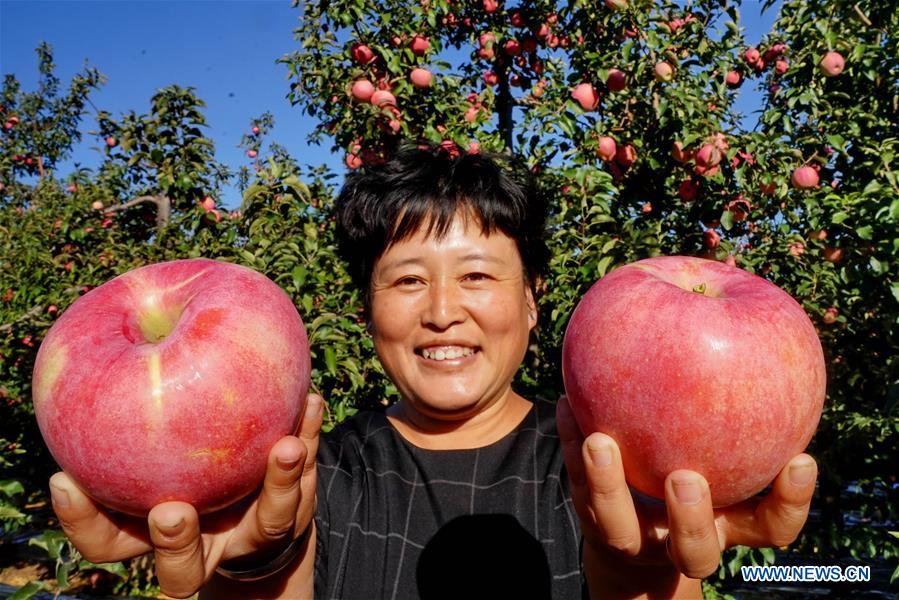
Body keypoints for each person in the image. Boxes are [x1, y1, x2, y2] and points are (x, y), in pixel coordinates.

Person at [48, 143, 818, 599]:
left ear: (531, 300)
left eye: (478, 277)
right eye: (407, 279)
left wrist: (643, 583)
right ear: (366, 310)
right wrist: (254, 562)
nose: (442, 311)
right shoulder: (314, 472)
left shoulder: (605, 465)